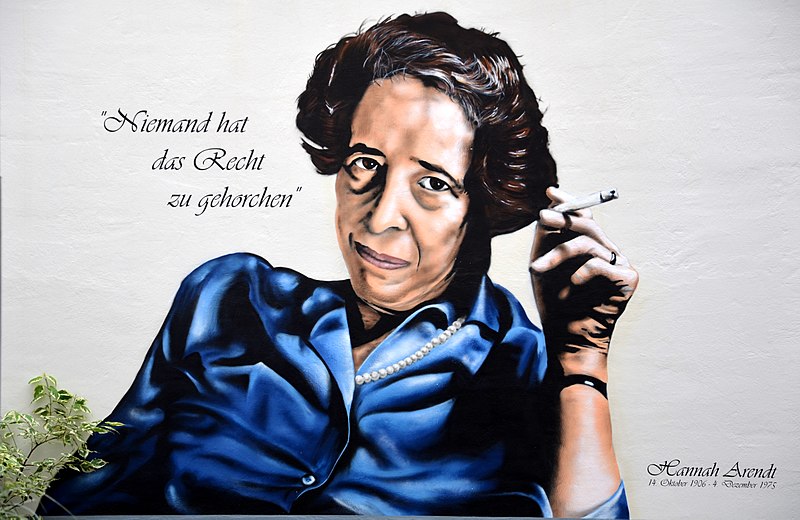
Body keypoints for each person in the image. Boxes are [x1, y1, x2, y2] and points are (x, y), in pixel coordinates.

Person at [39, 12, 637, 518]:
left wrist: (583, 360)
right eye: (365, 163)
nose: (380, 218)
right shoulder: (229, 299)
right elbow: (79, 498)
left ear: (481, 204)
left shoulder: (530, 366)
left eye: (432, 182)